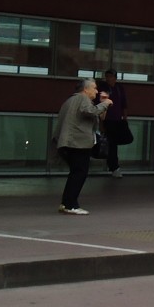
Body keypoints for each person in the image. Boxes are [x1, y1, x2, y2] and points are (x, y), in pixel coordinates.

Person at [53, 77, 112, 215]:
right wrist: (106, 103)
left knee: (75, 173)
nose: (96, 91)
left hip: (68, 143)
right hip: (77, 144)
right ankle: (71, 205)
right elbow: (91, 111)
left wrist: (103, 104)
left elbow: (98, 116)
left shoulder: (70, 100)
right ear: (86, 89)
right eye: (94, 88)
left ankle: (66, 202)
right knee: (80, 173)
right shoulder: (82, 99)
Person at [98, 69, 129, 177]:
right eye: (107, 76)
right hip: (108, 120)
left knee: (114, 143)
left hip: (117, 120)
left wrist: (124, 118)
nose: (108, 78)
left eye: (110, 76)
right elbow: (101, 106)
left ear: (115, 78)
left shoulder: (119, 89)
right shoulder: (103, 88)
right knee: (111, 144)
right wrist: (101, 123)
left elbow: (124, 104)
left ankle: (113, 166)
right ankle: (114, 167)